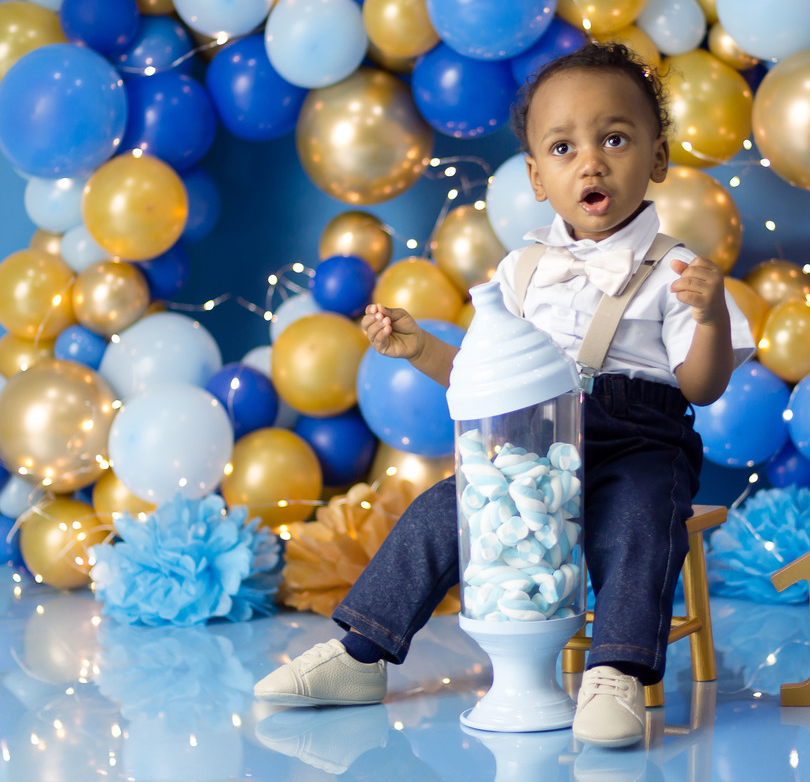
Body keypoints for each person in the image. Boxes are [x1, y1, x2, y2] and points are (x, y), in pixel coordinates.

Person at [255, 41, 755, 748]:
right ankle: (360, 652)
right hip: (535, 440)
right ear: (537, 177)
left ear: (659, 158)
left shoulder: (678, 270)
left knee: (638, 521)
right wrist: (419, 348)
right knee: (443, 510)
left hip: (641, 436)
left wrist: (707, 314)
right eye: (563, 146)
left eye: (615, 137)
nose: (591, 161)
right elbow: (489, 382)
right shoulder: (522, 271)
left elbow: (703, 386)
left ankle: (616, 670)